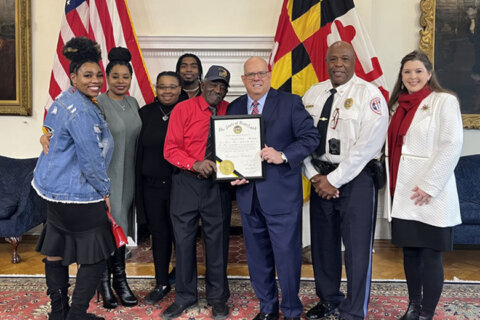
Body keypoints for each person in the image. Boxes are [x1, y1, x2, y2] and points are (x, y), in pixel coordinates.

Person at [228, 56, 319, 320]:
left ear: (269, 76)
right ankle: (267, 308)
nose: (256, 78)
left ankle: (291, 310)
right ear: (243, 80)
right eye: (250, 75)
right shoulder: (234, 107)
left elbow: (310, 137)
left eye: (261, 73)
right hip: (248, 197)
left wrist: (284, 155)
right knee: (257, 259)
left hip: (281, 196)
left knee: (287, 258)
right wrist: (232, 173)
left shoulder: (290, 103)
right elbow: (228, 148)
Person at [302, 41, 388, 320]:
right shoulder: (313, 93)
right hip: (319, 177)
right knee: (323, 245)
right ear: (326, 61)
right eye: (334, 59)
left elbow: (368, 145)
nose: (339, 64)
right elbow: (300, 138)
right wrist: (314, 175)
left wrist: (335, 180)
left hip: (356, 179)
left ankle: (353, 310)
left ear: (354, 62)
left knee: (356, 248)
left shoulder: (369, 95)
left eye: (345, 59)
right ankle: (328, 299)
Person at [33, 37, 115, 320]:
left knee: (56, 249)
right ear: (73, 76)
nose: (96, 80)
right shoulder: (81, 110)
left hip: (52, 192)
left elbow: (50, 128)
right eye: (88, 75)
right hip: (79, 194)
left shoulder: (63, 100)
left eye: (98, 75)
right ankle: (76, 314)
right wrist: (105, 191)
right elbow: (91, 160)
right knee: (94, 254)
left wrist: (46, 134)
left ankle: (59, 313)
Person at [387, 51, 463, 320]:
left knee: (431, 255)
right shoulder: (396, 105)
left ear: (429, 74)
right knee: (410, 254)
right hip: (403, 192)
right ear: (402, 76)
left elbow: (452, 145)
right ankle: (413, 306)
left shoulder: (444, 101)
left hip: (431, 194)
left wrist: (430, 185)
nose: (412, 76)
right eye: (407, 72)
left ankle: (427, 313)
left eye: (418, 71)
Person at [162, 65, 232, 320]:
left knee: (218, 242)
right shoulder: (183, 109)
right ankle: (184, 297)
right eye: (213, 84)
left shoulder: (230, 111)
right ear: (202, 85)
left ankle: (218, 298)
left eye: (223, 87)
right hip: (186, 183)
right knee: (183, 242)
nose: (218, 90)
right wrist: (194, 163)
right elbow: (170, 150)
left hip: (217, 185)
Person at [95, 47, 141, 308]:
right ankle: (104, 283)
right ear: (107, 77)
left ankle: (120, 279)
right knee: (105, 230)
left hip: (129, 176)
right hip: (107, 177)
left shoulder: (133, 103)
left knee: (121, 228)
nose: (121, 81)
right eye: (115, 76)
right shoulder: (98, 103)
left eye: (125, 77)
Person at [135, 71, 182, 305]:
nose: (167, 91)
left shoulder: (187, 110)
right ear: (156, 88)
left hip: (181, 187)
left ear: (180, 88)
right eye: (162, 87)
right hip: (151, 187)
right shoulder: (144, 113)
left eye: (172, 87)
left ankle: (184, 282)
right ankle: (162, 282)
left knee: (182, 237)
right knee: (160, 236)